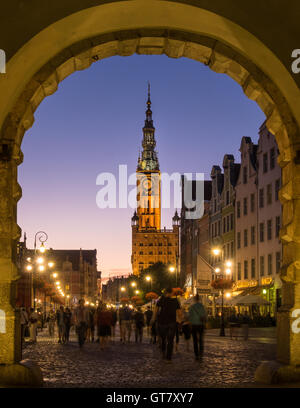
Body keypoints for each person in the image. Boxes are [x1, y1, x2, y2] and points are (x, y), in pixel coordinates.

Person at [152, 288, 182, 362]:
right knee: (171, 340)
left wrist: (153, 319)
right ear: (171, 293)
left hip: (162, 322)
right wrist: (180, 321)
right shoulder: (175, 301)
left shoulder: (161, 300)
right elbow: (179, 313)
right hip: (172, 322)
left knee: (163, 339)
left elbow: (155, 311)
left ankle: (163, 352)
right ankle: (169, 358)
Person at [188, 294, 207, 360]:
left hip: (194, 325)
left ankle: (196, 354)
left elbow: (189, 316)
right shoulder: (202, 306)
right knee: (201, 339)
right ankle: (201, 354)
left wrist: (190, 324)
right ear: (199, 299)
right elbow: (205, 315)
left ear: (194, 299)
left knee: (195, 340)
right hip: (201, 324)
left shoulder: (192, 307)